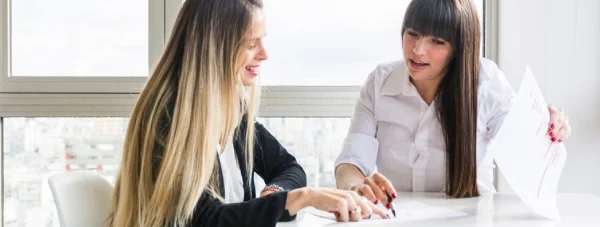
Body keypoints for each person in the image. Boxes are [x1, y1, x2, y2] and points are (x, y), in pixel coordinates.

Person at [107, 0, 386, 226]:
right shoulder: (168, 117)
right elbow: (205, 220)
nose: (264, 54)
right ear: (214, 47)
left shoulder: (229, 107)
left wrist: (274, 195)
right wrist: (300, 198)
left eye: (262, 40)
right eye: (251, 43)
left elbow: (288, 168)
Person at [334, 0, 572, 209]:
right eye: (412, 33)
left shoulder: (486, 83)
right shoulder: (380, 82)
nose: (418, 50)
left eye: (437, 41)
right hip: (398, 216)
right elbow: (351, 161)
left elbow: (523, 152)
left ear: (459, 49)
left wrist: (546, 129)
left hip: (472, 217)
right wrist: (356, 186)